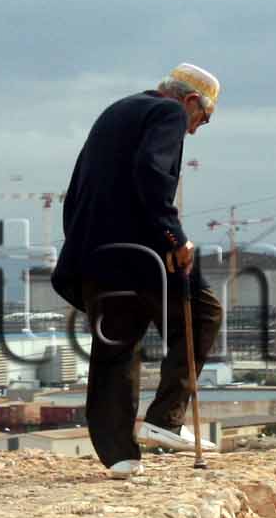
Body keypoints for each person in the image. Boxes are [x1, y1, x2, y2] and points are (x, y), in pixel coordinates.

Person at [49, 65, 225, 475]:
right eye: (203, 118)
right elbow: (151, 172)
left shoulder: (116, 111)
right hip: (142, 248)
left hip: (94, 252)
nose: (196, 130)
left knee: (115, 347)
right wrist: (174, 237)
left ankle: (120, 455)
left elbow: (74, 192)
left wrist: (84, 246)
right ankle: (165, 420)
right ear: (191, 102)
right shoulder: (168, 115)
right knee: (202, 313)